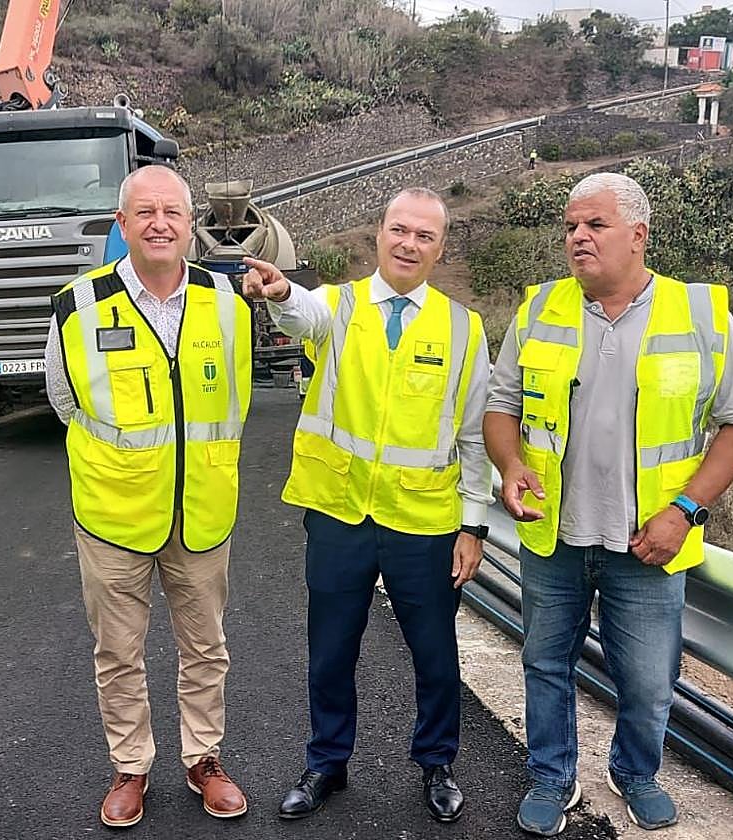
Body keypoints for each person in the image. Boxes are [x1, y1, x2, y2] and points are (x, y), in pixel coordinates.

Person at [483, 173, 733, 835]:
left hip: (648, 545)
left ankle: (635, 772)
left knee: (647, 681)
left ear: (638, 234)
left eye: (595, 225)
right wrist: (511, 465)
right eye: (570, 227)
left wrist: (684, 512)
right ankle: (551, 776)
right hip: (554, 535)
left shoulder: (699, 315)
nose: (578, 237)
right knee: (545, 664)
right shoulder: (539, 309)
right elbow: (501, 406)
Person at [242, 187, 492, 824]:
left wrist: (473, 525)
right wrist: (280, 293)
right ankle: (327, 762)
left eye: (424, 236)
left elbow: (473, 435)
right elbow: (301, 314)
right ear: (378, 233)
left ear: (441, 248)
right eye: (399, 230)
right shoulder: (339, 304)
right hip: (340, 513)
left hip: (423, 522)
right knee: (330, 652)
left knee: (435, 656)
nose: (409, 244)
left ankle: (437, 762)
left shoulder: (463, 329)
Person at [43, 164, 252, 828]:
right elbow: (64, 401)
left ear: (191, 224)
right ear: (122, 224)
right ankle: (130, 766)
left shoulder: (229, 301)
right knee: (117, 653)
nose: (160, 224)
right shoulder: (77, 305)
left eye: (173, 212)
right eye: (145, 212)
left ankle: (203, 759)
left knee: (206, 648)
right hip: (113, 516)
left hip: (203, 510)